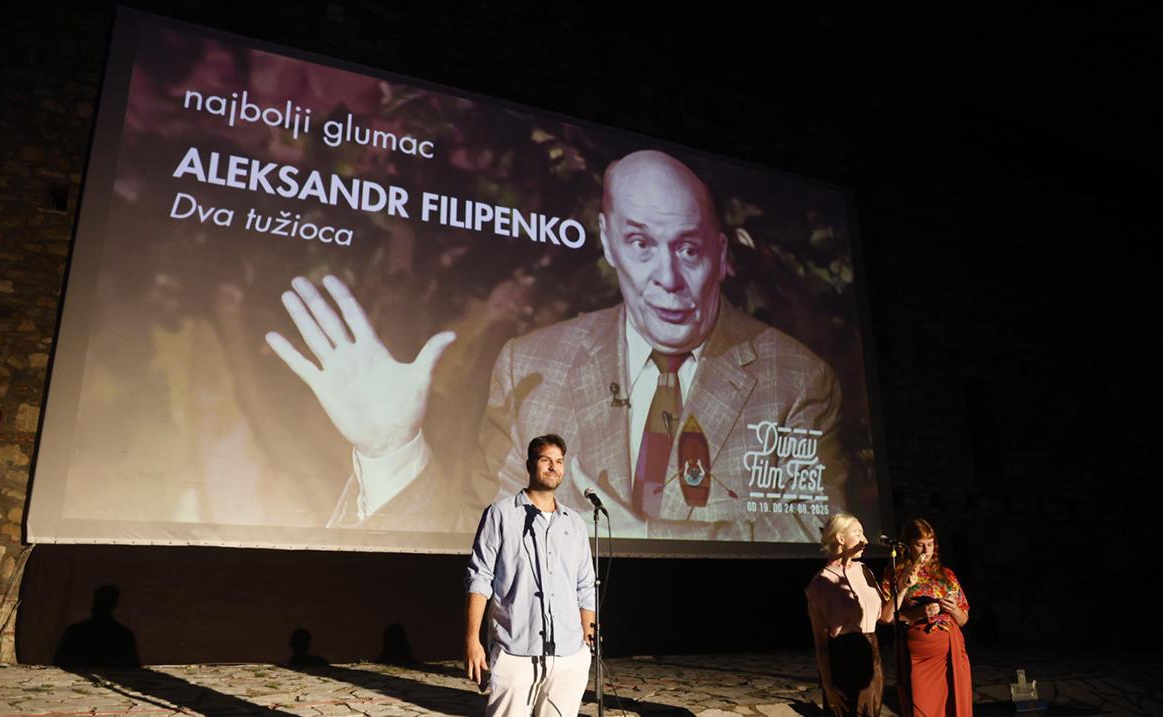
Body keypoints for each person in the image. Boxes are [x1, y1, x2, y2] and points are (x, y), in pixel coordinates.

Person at [266, 149, 849, 541]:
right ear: (608, 243)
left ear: (720, 256)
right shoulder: (531, 364)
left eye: (689, 249)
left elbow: (820, 541)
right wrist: (391, 451)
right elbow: (482, 546)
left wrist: (638, 535)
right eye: (641, 244)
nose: (667, 277)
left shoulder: (796, 379)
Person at [464, 434, 596, 717]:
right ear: (529, 465)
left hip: (569, 655)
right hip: (516, 652)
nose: (554, 467)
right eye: (546, 460)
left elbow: (585, 586)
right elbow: (480, 578)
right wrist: (472, 639)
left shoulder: (574, 523)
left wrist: (587, 645)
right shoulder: (500, 514)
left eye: (559, 461)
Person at [880, 519, 972, 717]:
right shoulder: (896, 574)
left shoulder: (946, 575)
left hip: (951, 652)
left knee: (954, 706)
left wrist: (953, 610)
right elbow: (885, 618)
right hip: (918, 656)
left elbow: (963, 619)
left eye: (930, 544)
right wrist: (917, 613)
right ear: (908, 545)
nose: (926, 550)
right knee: (923, 707)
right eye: (919, 544)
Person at [805, 513, 887, 717]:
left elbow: (884, 616)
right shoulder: (822, 582)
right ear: (840, 538)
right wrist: (828, 687)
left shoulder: (864, 571)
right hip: (845, 659)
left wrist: (902, 588)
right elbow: (821, 645)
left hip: (872, 656)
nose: (864, 540)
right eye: (858, 533)